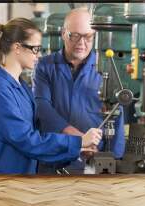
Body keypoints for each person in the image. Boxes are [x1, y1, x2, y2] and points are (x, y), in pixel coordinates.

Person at [0, 18, 102, 174]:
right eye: (35, 49)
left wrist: (77, 150)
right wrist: (78, 142)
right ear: (17, 48)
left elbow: (38, 135)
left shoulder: (21, 86)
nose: (38, 55)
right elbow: (27, 141)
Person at [33, 8, 125, 174]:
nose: (81, 43)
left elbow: (117, 112)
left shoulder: (107, 68)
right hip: (53, 157)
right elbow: (42, 107)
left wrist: (116, 158)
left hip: (93, 159)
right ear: (63, 33)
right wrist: (79, 139)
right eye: (74, 36)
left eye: (88, 36)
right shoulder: (45, 66)